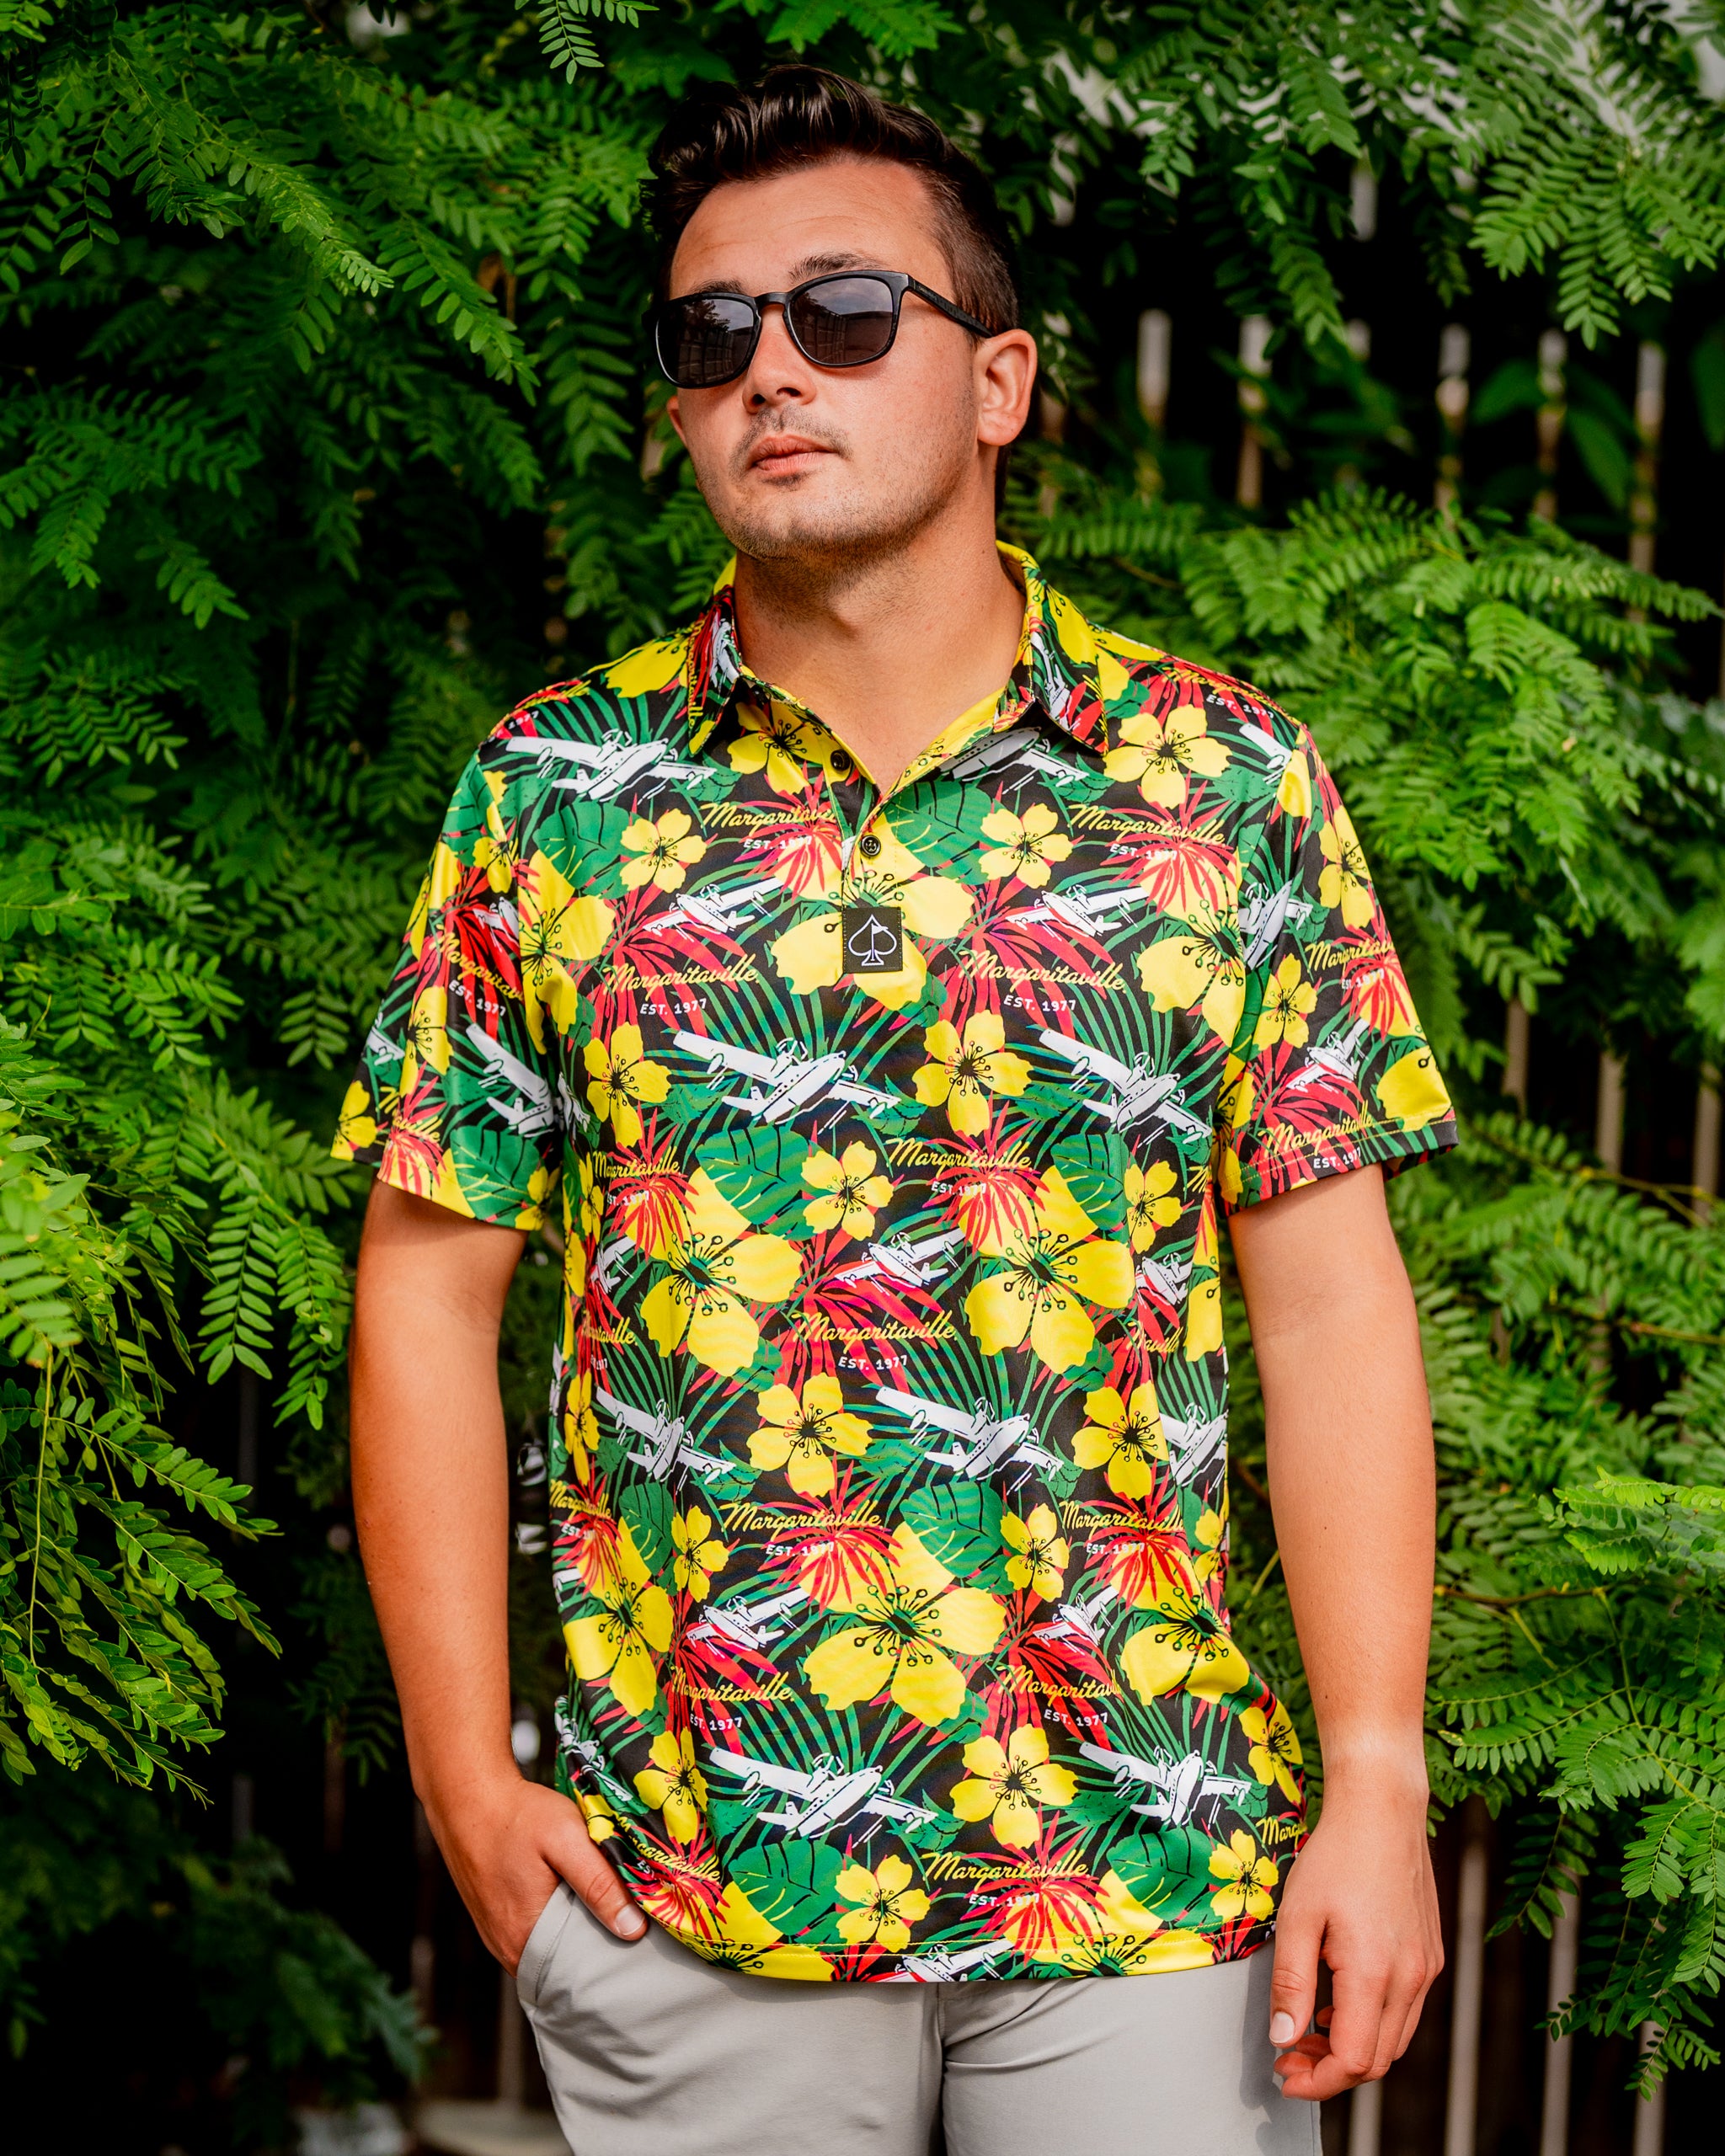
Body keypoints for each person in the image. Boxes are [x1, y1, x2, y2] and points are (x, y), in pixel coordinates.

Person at [338, 64, 1451, 2156]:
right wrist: (463, 1778)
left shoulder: (1219, 788)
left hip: (1144, 1865)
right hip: (688, 1877)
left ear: (1000, 379)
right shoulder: (552, 799)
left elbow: (1327, 1301)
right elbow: (422, 1292)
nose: (772, 368)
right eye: (710, 333)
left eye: (846, 312)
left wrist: (1375, 1775)